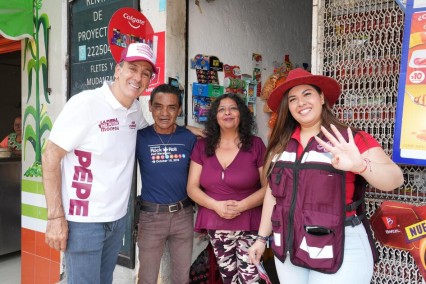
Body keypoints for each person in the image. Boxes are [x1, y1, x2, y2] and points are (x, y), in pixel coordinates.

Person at [248, 68, 404, 284]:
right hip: (289, 246)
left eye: (307, 94)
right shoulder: (282, 145)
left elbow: (395, 179)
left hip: (341, 244)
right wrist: (261, 238)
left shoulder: (349, 138)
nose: (300, 103)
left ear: (321, 97)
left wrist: (360, 165)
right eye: (293, 99)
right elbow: (274, 196)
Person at [41, 42, 156, 284]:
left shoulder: (135, 110)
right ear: (117, 70)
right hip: (84, 222)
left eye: (145, 74)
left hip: (116, 220)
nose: (138, 77)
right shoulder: (86, 103)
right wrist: (55, 217)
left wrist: (193, 131)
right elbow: (50, 155)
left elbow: (154, 134)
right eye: (132, 69)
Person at [187, 93, 267, 284]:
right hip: (217, 223)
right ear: (215, 116)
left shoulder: (255, 145)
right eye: (221, 109)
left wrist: (242, 206)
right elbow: (192, 187)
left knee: (250, 278)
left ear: (241, 114)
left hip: (250, 223)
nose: (227, 113)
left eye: (233, 108)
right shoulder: (202, 146)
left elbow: (269, 188)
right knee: (228, 278)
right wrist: (215, 205)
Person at [136, 84, 196, 284]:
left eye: (171, 107)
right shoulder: (140, 138)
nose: (164, 113)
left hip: (183, 215)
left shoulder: (188, 138)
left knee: (182, 277)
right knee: (147, 278)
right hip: (151, 217)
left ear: (179, 110)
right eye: (158, 106)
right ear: (150, 107)